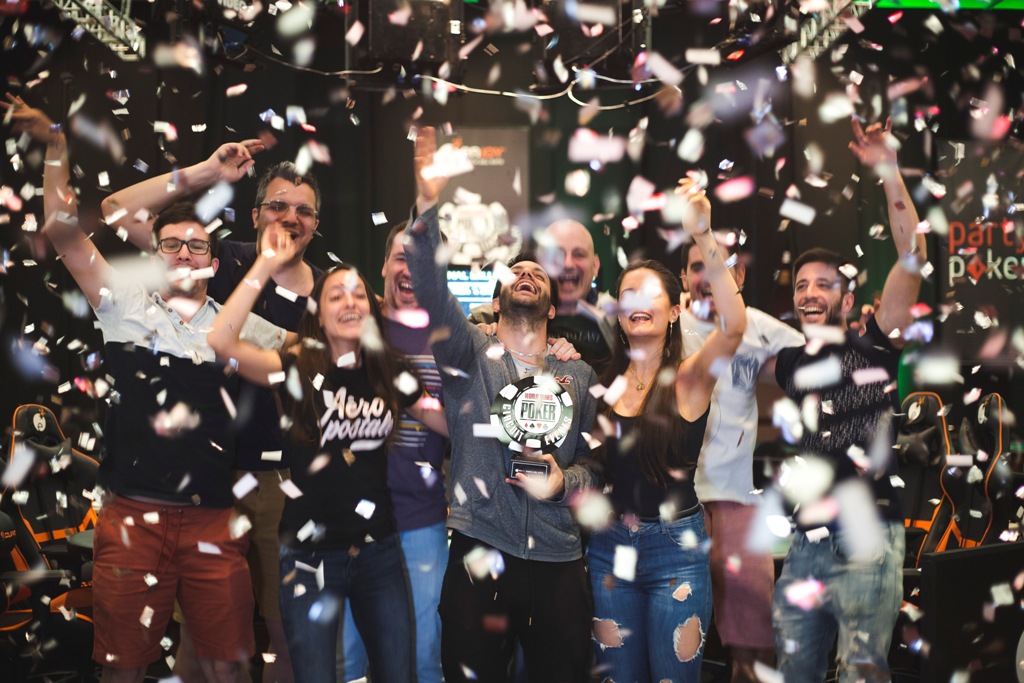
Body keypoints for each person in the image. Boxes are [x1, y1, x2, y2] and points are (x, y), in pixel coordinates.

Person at [4, 94, 288, 683]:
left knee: (225, 666)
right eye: (171, 244)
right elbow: (69, 225)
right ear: (156, 257)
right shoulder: (124, 306)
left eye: (198, 245)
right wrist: (57, 145)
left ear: (214, 261)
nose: (185, 252)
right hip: (131, 517)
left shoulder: (241, 323)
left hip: (212, 518)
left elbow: (318, 356)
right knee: (124, 669)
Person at [103, 150, 324, 683]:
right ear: (254, 215)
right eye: (278, 205)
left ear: (317, 224)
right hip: (207, 485)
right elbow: (115, 209)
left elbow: (369, 346)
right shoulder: (216, 260)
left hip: (280, 481)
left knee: (281, 631)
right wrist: (204, 172)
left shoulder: (328, 289)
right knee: (201, 647)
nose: (290, 218)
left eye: (304, 210)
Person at [208, 221, 450, 682]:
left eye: (359, 294)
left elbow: (448, 421)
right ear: (318, 312)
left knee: (400, 673)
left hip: (378, 552)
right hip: (308, 556)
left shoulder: (389, 371)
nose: (350, 302)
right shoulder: (295, 368)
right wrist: (264, 264)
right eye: (336, 295)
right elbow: (221, 342)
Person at [406, 126, 599, 682]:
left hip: (560, 559)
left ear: (554, 308)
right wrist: (426, 201)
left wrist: (566, 483)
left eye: (539, 273)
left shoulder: (579, 374)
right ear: (495, 299)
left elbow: (599, 469)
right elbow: (428, 283)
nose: (528, 275)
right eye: (517, 272)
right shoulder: (467, 352)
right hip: (480, 547)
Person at [768, 118, 927, 683]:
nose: (810, 293)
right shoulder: (790, 361)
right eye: (801, 286)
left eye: (824, 284)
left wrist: (887, 169)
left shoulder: (875, 343)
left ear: (849, 293)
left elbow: (912, 255)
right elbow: (728, 337)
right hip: (803, 542)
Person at [588, 179, 747, 681]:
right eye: (626, 293)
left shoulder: (689, 377)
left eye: (649, 293)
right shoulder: (601, 379)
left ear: (674, 310)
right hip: (607, 550)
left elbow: (735, 326)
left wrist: (702, 232)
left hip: (674, 552)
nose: (635, 300)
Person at [679, 232, 803, 682]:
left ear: (739, 275)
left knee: (754, 649)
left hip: (737, 499)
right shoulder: (663, 321)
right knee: (672, 640)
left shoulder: (760, 327)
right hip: (671, 505)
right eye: (697, 267)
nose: (708, 277)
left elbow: (820, 362)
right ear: (682, 277)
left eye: (718, 266)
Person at [338, 220, 449, 683]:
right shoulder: (350, 325)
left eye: (422, 260)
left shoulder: (456, 337)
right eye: (401, 256)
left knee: (423, 658)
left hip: (421, 522)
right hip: (348, 526)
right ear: (383, 264)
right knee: (347, 662)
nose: (410, 269)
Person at [469, 218, 616, 372]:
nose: (567, 264)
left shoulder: (618, 323)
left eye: (579, 254)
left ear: (595, 265)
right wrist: (481, 337)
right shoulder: (485, 318)